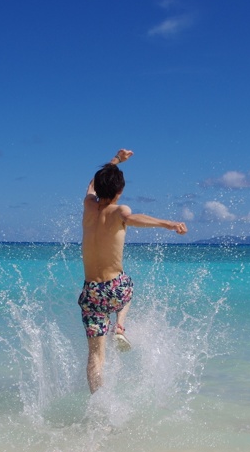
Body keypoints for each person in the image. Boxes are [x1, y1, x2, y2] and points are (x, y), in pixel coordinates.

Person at [79, 149, 187, 393]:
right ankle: (119, 326)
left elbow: (92, 186)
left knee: (95, 356)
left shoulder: (88, 206)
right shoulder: (119, 211)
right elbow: (135, 217)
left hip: (90, 292)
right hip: (114, 288)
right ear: (120, 191)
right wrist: (168, 224)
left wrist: (115, 160)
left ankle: (99, 404)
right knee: (127, 285)